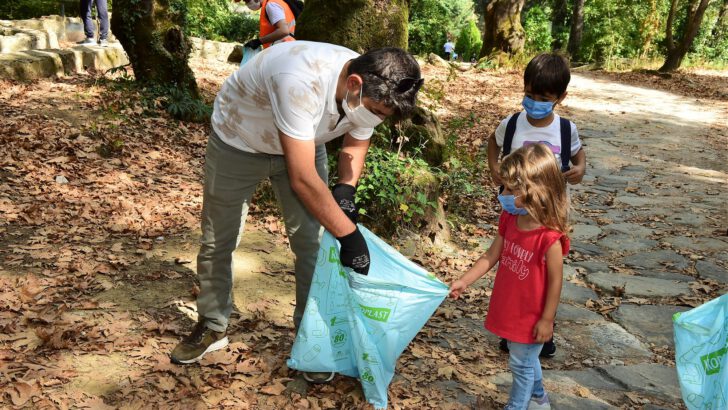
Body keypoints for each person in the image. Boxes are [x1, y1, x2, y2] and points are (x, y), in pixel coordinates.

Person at [169, 41, 423, 385]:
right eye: (376, 111)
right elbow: (302, 179)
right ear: (353, 85)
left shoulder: (371, 89)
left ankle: (311, 337)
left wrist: (345, 189)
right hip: (239, 139)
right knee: (219, 239)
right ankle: (212, 323)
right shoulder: (300, 78)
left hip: (305, 141)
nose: (377, 119)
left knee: (313, 246)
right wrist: (350, 236)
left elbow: (356, 141)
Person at [450, 143, 570, 410]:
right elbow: (490, 256)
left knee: (521, 363)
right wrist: (465, 280)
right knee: (525, 359)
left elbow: (555, 282)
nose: (502, 195)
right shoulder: (509, 219)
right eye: (503, 188)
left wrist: (547, 319)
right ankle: (539, 399)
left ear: (536, 192)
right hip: (510, 305)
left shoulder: (549, 239)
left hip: (532, 313)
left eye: (510, 190)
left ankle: (517, 405)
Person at [486, 52, 586, 358]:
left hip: (549, 214)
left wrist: (579, 170)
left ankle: (545, 326)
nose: (534, 101)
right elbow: (493, 142)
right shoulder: (513, 124)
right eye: (529, 94)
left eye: (542, 97)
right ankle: (513, 328)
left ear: (560, 97)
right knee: (516, 267)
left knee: (544, 272)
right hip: (515, 209)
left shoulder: (566, 130)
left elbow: (579, 157)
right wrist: (494, 169)